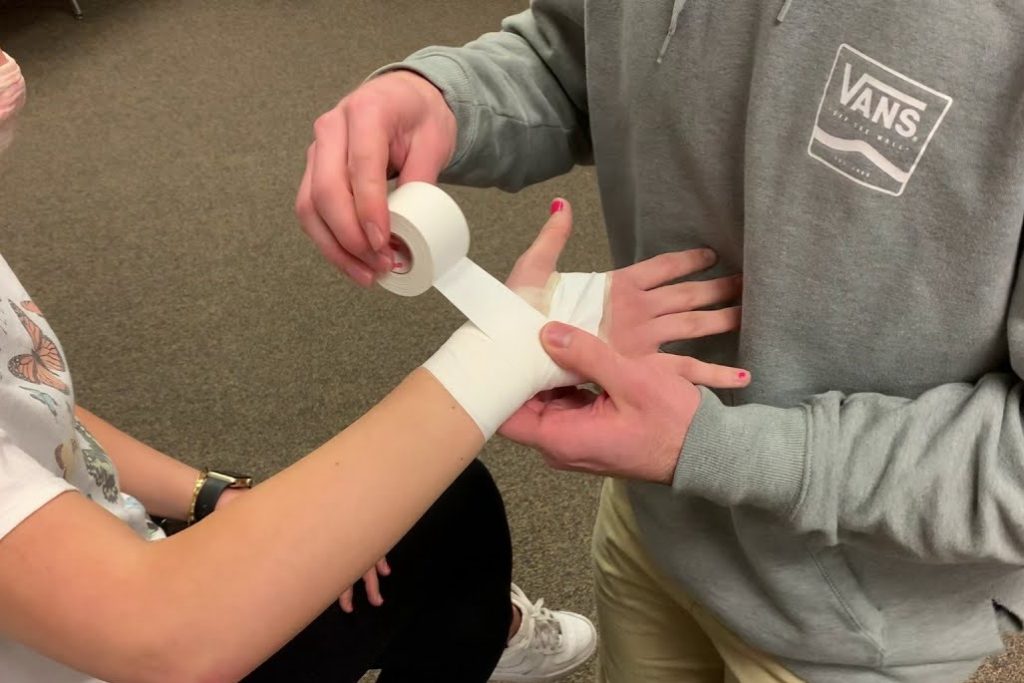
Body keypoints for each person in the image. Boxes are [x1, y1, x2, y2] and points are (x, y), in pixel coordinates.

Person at [296, 2, 1024, 682]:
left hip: (861, 618)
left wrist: (711, 448)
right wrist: (443, 96)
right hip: (653, 516)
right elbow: (571, 58)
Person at [0, 47, 749, 683]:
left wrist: (215, 496)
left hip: (97, 544)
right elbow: (159, 630)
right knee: (455, 519)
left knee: (436, 513)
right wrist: (509, 349)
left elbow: (41, 408)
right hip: (109, 645)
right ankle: (484, 626)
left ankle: (483, 621)